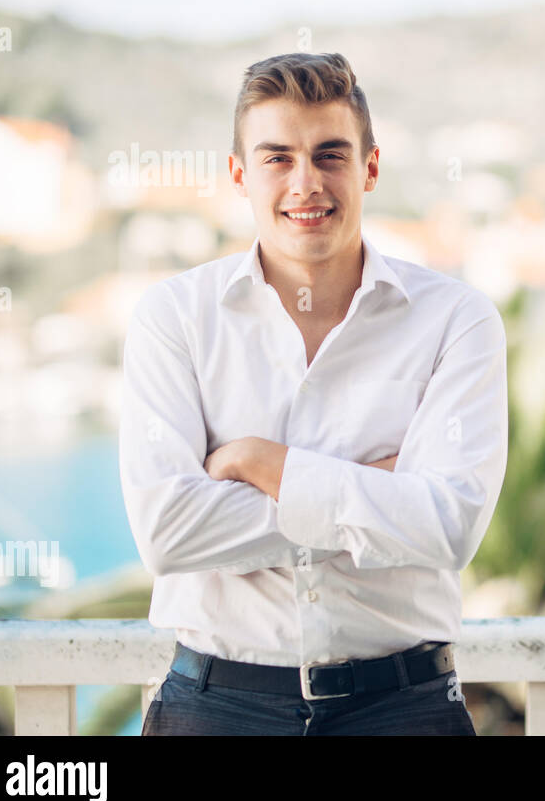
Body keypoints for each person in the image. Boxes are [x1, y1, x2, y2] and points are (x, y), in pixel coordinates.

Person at [120, 52, 508, 735]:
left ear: (370, 167)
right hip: (215, 708)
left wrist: (261, 464)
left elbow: (447, 526)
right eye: (277, 158)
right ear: (240, 174)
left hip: (404, 709)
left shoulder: (456, 319)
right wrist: (373, 494)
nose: (307, 183)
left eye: (331, 155)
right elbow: (168, 531)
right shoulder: (174, 317)